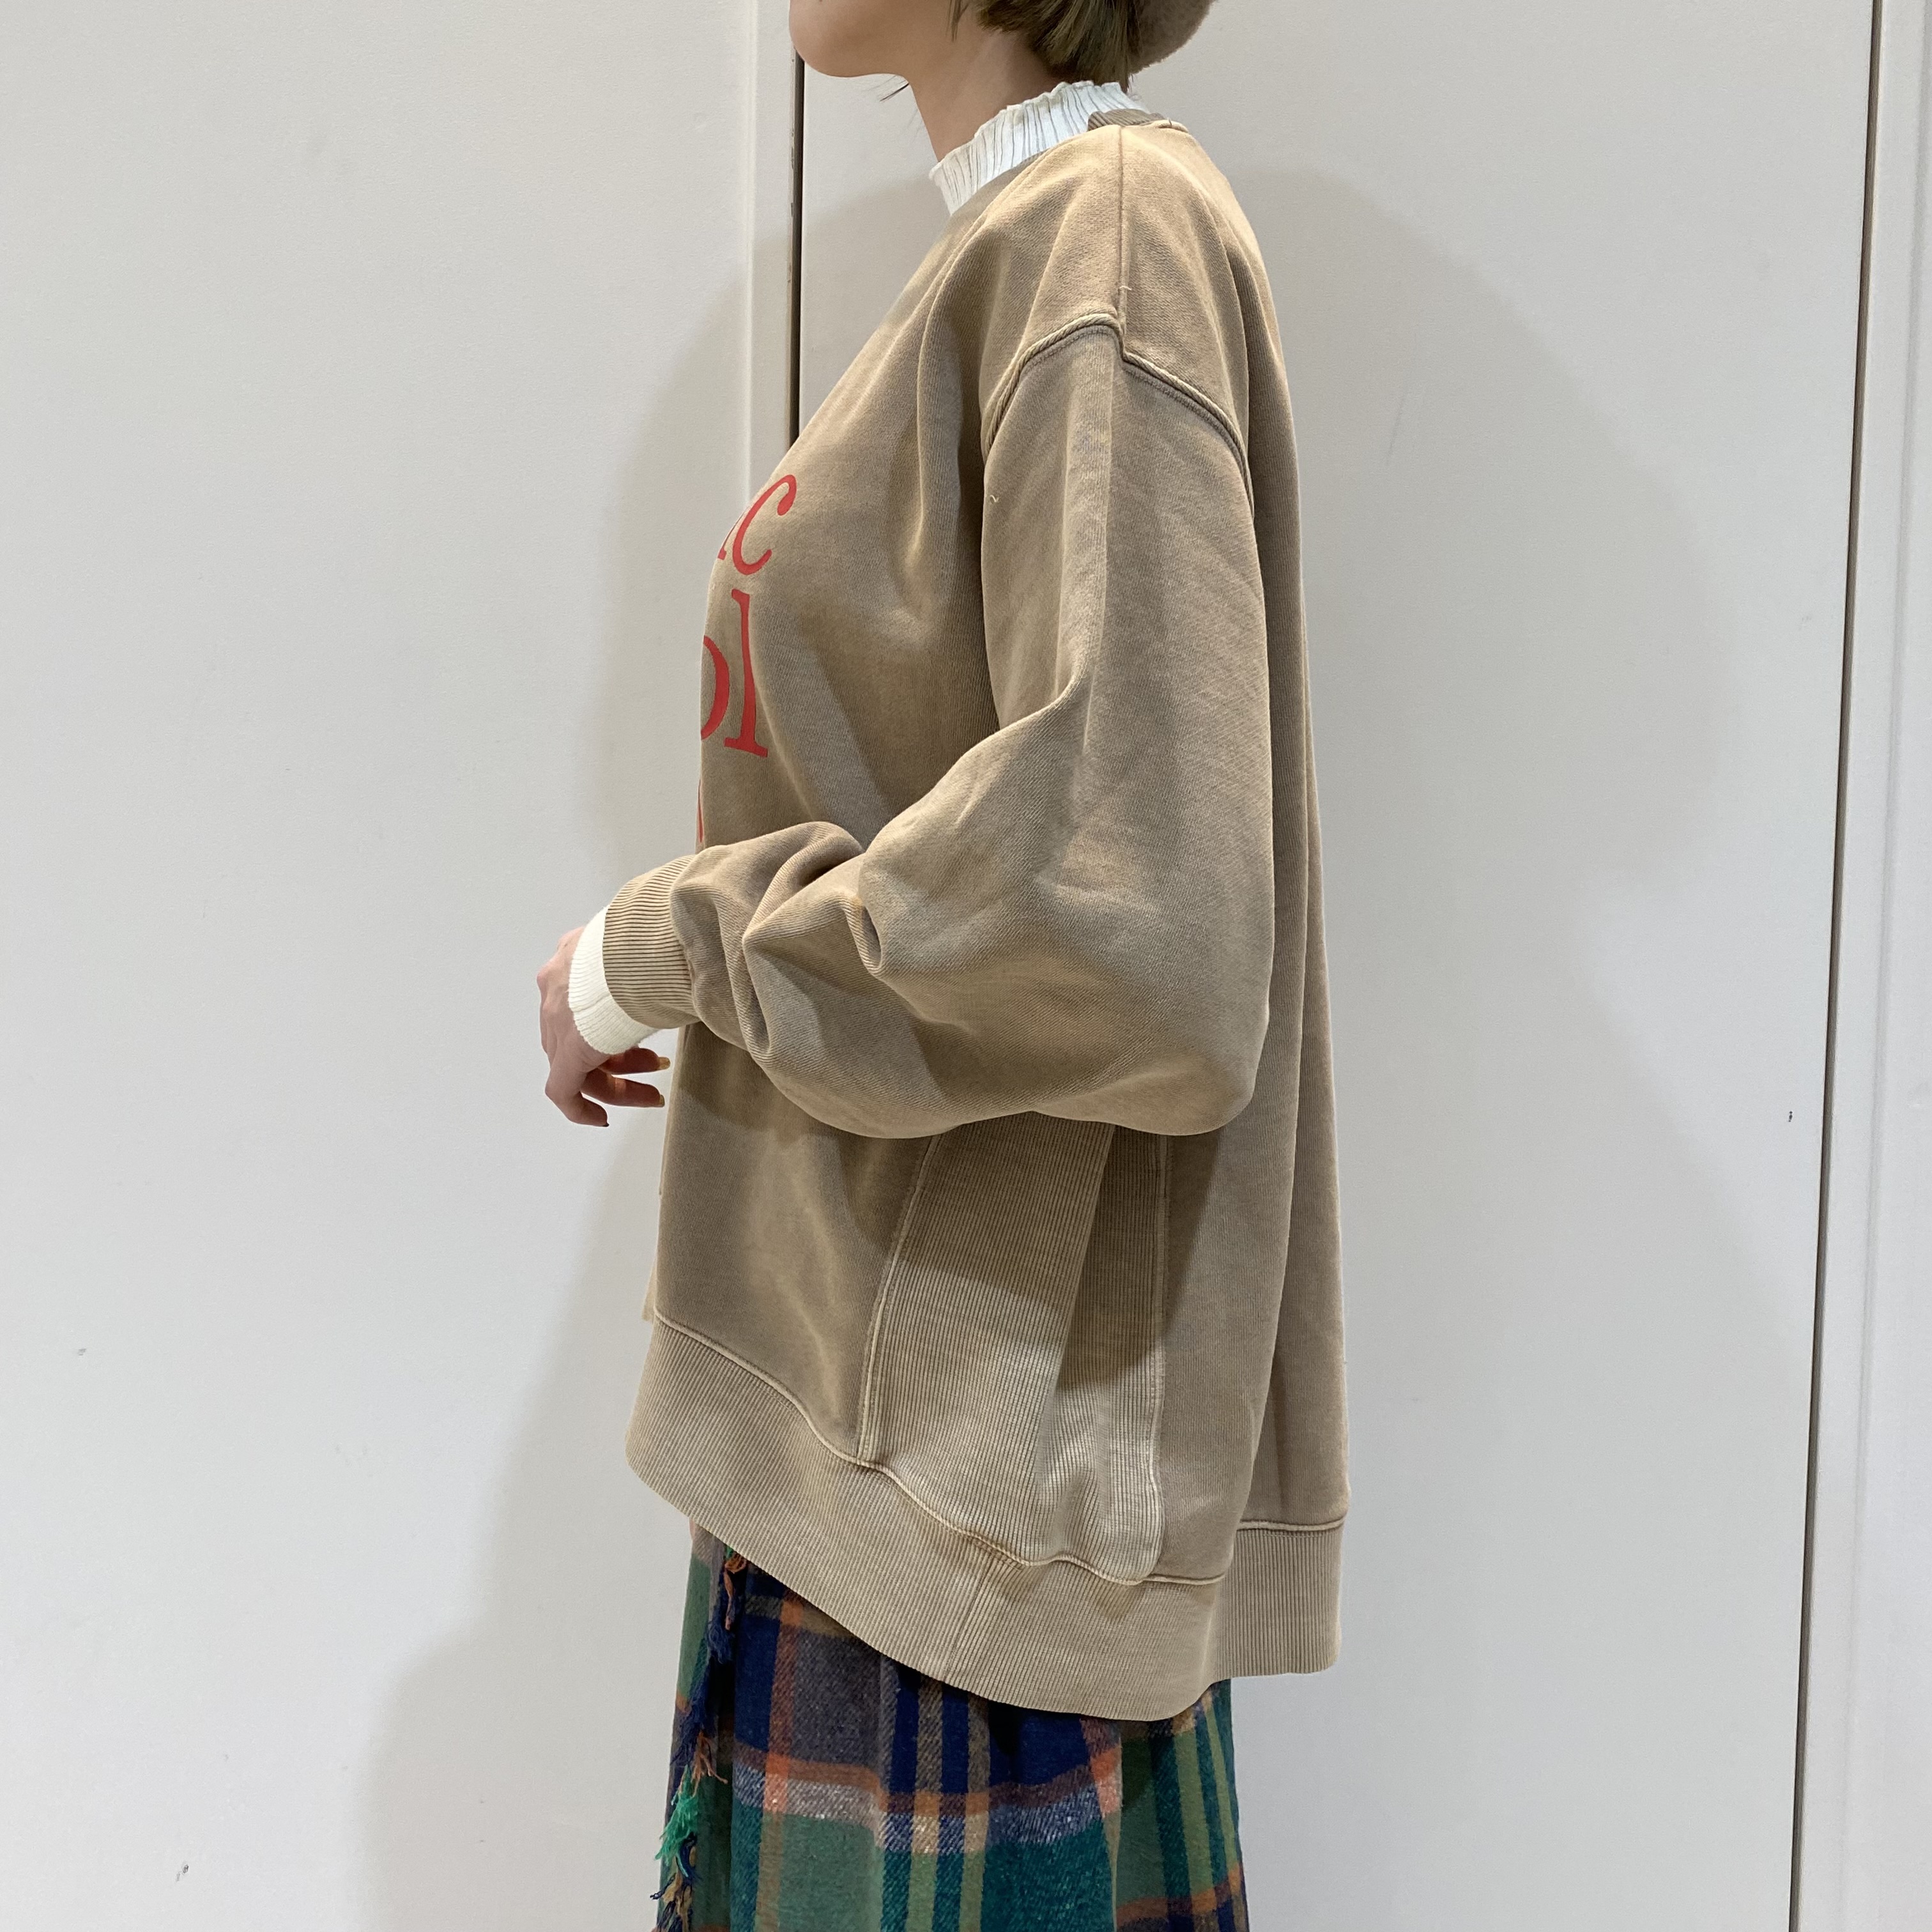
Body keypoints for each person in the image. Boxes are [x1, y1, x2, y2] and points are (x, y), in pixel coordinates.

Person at [533, 1, 1348, 1924]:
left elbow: (1140, 923)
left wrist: (658, 950)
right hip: (887, 1454)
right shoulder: (1027, 244)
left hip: (968, 1502)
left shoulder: (1108, 242)